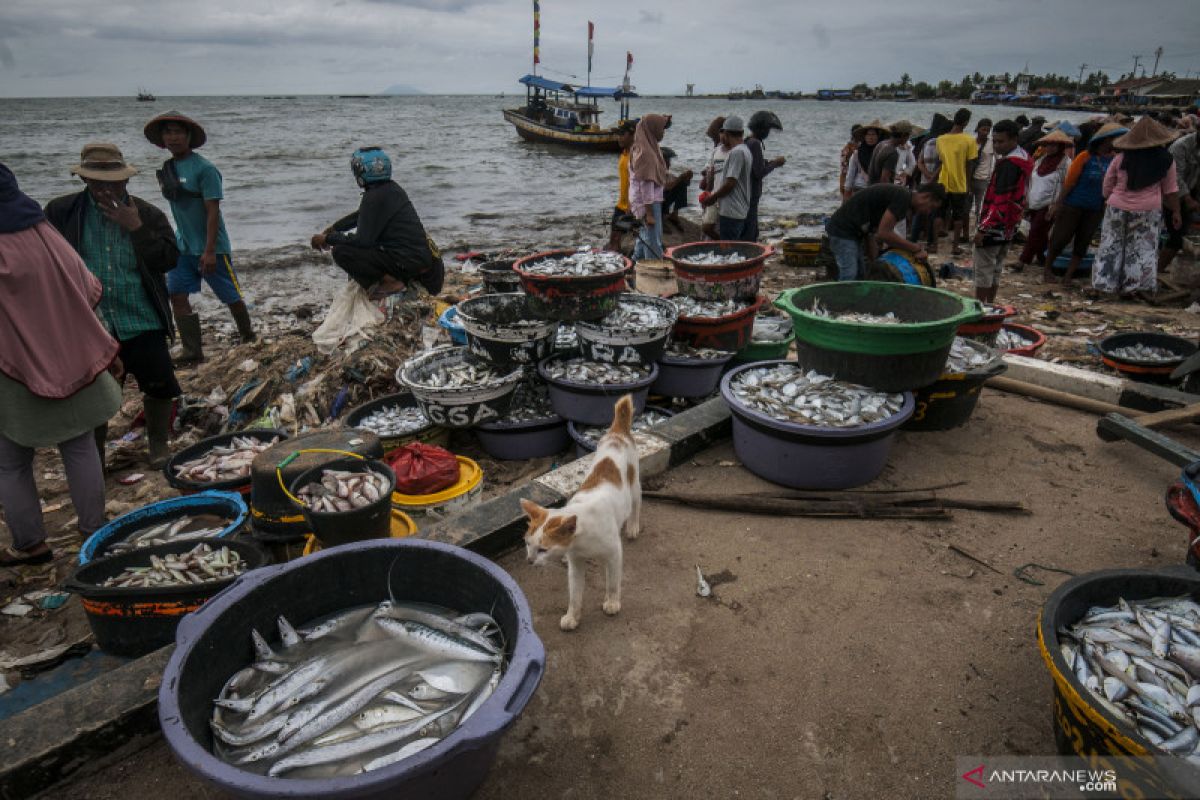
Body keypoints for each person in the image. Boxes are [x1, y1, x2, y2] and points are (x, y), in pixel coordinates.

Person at [0, 164, 123, 566]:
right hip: (68, 350)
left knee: (12, 461)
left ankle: (32, 545)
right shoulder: (41, 231)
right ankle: (94, 531)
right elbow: (85, 284)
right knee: (80, 444)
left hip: (10, 366)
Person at [44, 144, 182, 469]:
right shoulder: (62, 212)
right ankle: (95, 459)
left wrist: (136, 227)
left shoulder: (147, 214)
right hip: (90, 324)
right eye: (97, 182)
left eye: (113, 181)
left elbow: (168, 259)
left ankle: (158, 445)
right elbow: (44, 261)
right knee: (97, 398)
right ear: (85, 181)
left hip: (142, 317)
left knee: (160, 385)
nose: (106, 188)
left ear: (126, 181)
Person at [143, 111, 254, 364]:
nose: (173, 137)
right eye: (168, 132)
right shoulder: (169, 168)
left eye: (178, 132)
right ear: (162, 138)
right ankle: (192, 350)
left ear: (189, 136)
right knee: (177, 295)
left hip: (211, 247)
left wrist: (210, 250)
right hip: (182, 247)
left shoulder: (205, 169)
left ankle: (248, 337)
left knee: (231, 297)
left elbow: (213, 211)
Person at [310, 147, 445, 298]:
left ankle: (391, 282)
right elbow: (361, 216)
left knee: (341, 252)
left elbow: (362, 241)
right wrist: (335, 228)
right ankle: (393, 279)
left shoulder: (373, 196)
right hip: (431, 271)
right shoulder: (392, 189)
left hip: (414, 268)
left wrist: (328, 238)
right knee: (370, 244)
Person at [1093, 117, 1182, 297]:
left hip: (1117, 207)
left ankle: (1105, 285)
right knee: (1142, 249)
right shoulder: (1166, 160)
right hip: (1147, 210)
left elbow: (1107, 184)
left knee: (1111, 246)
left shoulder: (1121, 157)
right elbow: (1171, 189)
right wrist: (1176, 211)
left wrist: (1107, 199)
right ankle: (1135, 287)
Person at [1044, 123, 1128, 285]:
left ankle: (1068, 276)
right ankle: (1047, 270)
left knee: (1083, 242)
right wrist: (1058, 204)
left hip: (1095, 208)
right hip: (1073, 205)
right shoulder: (1084, 157)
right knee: (1060, 239)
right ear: (1106, 140)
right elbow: (1069, 183)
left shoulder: (1115, 160)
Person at [824, 183, 944, 281]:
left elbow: (872, 232)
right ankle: (840, 306)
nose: (928, 212)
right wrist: (915, 248)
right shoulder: (903, 198)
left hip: (856, 233)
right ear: (926, 197)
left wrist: (874, 260)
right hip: (842, 230)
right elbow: (884, 233)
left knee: (861, 274)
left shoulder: (903, 198)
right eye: (931, 207)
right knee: (849, 274)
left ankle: (855, 305)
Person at [972, 120, 1033, 303]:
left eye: (1001, 142)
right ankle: (989, 304)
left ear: (1014, 139)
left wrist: (983, 228)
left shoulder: (1009, 164)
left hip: (996, 223)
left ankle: (981, 307)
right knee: (996, 267)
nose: (997, 146)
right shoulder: (1024, 158)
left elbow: (1001, 200)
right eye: (995, 141)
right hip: (1010, 224)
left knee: (984, 269)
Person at [1016, 130, 1073, 272]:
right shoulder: (1041, 160)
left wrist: (1057, 205)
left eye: (1054, 145)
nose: (1050, 148)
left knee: (1035, 231)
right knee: (1040, 233)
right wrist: (1026, 199)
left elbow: (1068, 185)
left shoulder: (1066, 163)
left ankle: (1022, 261)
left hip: (1049, 204)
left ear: (1060, 146)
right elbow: (1031, 180)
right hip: (1035, 201)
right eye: (1048, 145)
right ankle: (1043, 258)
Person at [700, 115, 754, 241]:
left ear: (727, 133)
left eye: (723, 133)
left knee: (728, 249)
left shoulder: (736, 152)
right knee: (732, 244)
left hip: (731, 210)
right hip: (739, 209)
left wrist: (712, 198)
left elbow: (730, 183)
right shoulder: (745, 150)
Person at [628, 113, 671, 260]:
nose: (663, 132)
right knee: (653, 243)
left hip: (643, 202)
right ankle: (654, 273)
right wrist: (650, 214)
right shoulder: (646, 153)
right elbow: (645, 185)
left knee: (644, 239)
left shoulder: (642, 146)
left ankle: (632, 268)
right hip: (649, 204)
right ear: (652, 130)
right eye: (661, 129)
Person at [936, 108, 978, 256]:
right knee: (958, 216)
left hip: (942, 181)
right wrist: (968, 184)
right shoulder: (969, 140)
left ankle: (934, 245)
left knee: (939, 213)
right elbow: (970, 165)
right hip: (960, 183)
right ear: (966, 122)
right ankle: (955, 247)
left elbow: (941, 161)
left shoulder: (940, 139)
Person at [1159, 129, 1199, 273]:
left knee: (1183, 235)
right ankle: (1157, 271)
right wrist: (1188, 199)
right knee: (1176, 237)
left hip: (1190, 191)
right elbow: (1176, 177)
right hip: (1172, 195)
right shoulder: (1180, 146)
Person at [744, 110, 786, 241]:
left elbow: (754, 166)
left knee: (751, 230)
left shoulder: (747, 141)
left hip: (746, 194)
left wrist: (768, 162)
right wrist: (775, 163)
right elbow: (759, 173)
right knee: (750, 233)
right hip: (751, 195)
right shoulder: (755, 144)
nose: (768, 132)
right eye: (767, 129)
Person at [912, 113, 951, 248]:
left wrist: (926, 175)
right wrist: (933, 177)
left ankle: (913, 239)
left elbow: (919, 162)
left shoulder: (926, 141)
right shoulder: (942, 142)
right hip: (935, 184)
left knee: (919, 212)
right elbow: (943, 163)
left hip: (923, 181)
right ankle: (930, 241)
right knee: (933, 213)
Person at [606, 120, 638, 252]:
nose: (619, 138)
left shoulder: (636, 155)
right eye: (618, 134)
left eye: (622, 134)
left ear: (633, 135)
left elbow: (637, 183)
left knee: (617, 242)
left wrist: (631, 208)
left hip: (631, 207)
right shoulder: (624, 153)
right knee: (613, 241)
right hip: (621, 205)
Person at [699, 116, 729, 240]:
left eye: (713, 138)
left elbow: (708, 181)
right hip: (713, 198)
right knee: (709, 228)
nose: (714, 142)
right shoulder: (718, 151)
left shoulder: (724, 152)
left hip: (716, 199)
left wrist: (707, 193)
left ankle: (721, 243)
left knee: (710, 229)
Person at [843, 120, 886, 198]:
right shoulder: (857, 154)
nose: (870, 137)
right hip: (859, 188)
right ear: (864, 137)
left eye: (873, 134)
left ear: (878, 136)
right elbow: (850, 176)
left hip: (877, 189)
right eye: (868, 134)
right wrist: (845, 197)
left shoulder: (882, 153)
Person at [868, 121, 913, 186]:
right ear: (903, 135)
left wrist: (893, 176)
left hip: (871, 187)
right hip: (880, 191)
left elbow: (876, 171)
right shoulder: (892, 153)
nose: (908, 139)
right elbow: (884, 180)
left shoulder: (881, 144)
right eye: (908, 135)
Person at [659, 147, 694, 231]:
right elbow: (666, 187)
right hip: (655, 203)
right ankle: (660, 219)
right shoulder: (656, 172)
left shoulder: (666, 173)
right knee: (679, 183)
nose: (669, 164)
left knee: (682, 184)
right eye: (667, 161)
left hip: (662, 202)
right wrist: (680, 178)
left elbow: (676, 183)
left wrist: (687, 177)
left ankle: (674, 214)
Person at [969, 118, 994, 226]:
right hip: (969, 178)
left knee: (980, 207)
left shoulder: (991, 143)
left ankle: (979, 226)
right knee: (967, 206)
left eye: (988, 131)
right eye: (983, 130)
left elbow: (998, 159)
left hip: (983, 179)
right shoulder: (971, 142)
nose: (985, 133)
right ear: (978, 128)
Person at [838, 124, 864, 199]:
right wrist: (843, 186)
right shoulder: (847, 149)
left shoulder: (863, 146)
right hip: (851, 180)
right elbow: (844, 170)